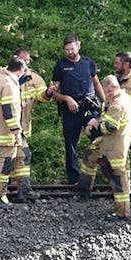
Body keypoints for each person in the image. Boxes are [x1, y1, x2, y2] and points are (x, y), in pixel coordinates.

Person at [47, 35, 105, 184]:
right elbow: (53, 92)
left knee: (98, 137)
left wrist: (105, 102)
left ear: (78, 46)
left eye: (72, 48)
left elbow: (97, 84)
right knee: (71, 145)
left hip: (89, 108)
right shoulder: (60, 65)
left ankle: (104, 173)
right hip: (70, 110)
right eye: (67, 50)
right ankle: (74, 179)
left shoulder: (88, 63)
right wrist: (66, 98)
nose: (70, 52)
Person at [77, 74, 131, 220]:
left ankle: (123, 212)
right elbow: (105, 117)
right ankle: (84, 190)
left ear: (116, 87)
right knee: (90, 155)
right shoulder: (118, 98)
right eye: (105, 91)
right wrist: (95, 121)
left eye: (109, 92)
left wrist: (96, 126)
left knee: (118, 179)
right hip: (109, 144)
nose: (107, 95)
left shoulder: (117, 104)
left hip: (114, 147)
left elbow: (109, 127)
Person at [0, 56, 26, 208]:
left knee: (1, 162)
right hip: (6, 132)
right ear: (19, 71)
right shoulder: (9, 83)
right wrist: (15, 130)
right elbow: (8, 110)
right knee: (5, 164)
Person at [12, 49, 44, 202]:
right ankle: (0, 189)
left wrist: (50, 92)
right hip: (5, 126)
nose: (26, 63)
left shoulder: (33, 78)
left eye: (28, 61)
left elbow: (43, 96)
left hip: (21, 127)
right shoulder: (4, 76)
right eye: (23, 60)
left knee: (22, 156)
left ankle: (21, 189)